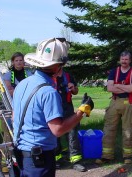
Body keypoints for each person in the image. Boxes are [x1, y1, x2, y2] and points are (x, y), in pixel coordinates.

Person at [12, 38, 93, 177]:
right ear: (58, 66)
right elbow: (58, 130)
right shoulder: (48, 92)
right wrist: (81, 111)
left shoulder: (22, 84)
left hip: (20, 154)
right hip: (39, 160)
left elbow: (14, 116)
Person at [95, 51, 132, 165]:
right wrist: (126, 87)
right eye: (122, 59)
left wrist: (118, 85)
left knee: (128, 130)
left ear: (130, 60)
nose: (124, 61)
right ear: (120, 60)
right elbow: (110, 88)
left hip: (129, 103)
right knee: (108, 129)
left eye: (126, 59)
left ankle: (127, 156)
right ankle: (107, 156)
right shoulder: (114, 72)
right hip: (114, 102)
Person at [53, 68, 86, 172]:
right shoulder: (49, 76)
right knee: (54, 134)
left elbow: (76, 91)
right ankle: (56, 159)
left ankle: (76, 161)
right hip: (54, 108)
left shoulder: (67, 76)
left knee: (72, 133)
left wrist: (73, 88)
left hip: (67, 107)